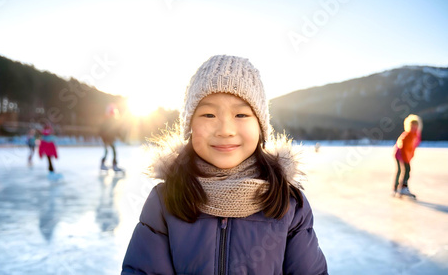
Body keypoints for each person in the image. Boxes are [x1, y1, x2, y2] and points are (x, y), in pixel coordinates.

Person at [122, 55, 327, 274]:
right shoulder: (165, 200)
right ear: (190, 126)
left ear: (261, 128)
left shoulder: (289, 204)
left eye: (241, 114)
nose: (225, 130)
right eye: (209, 114)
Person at [393, 114, 422, 198]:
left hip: (406, 156)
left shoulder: (415, 135)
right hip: (399, 155)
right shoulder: (407, 135)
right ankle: (397, 188)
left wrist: (410, 156)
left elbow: (413, 147)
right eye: (413, 126)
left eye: (416, 126)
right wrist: (406, 159)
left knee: (406, 170)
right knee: (401, 170)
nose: (414, 127)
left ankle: (403, 187)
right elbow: (403, 148)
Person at [99, 104, 124, 172]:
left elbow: (116, 130)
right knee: (110, 151)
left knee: (109, 151)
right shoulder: (107, 120)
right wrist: (105, 138)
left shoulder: (112, 120)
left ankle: (108, 164)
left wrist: (120, 136)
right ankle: (112, 165)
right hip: (107, 139)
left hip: (109, 139)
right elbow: (102, 131)